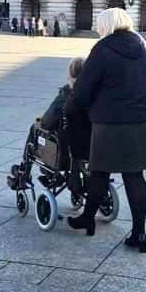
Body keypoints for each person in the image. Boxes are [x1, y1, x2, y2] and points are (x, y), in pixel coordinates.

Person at [67, 8, 146, 253]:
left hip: (111, 122)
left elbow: (83, 89)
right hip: (142, 120)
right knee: (134, 176)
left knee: (99, 171)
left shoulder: (102, 49)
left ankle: (87, 219)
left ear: (105, 25)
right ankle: (139, 233)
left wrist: (70, 107)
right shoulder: (142, 48)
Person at [40, 57, 92, 198]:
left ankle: (24, 172)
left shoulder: (65, 97)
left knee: (36, 129)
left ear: (70, 75)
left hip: (65, 154)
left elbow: (47, 122)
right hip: (91, 150)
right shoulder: (94, 96)